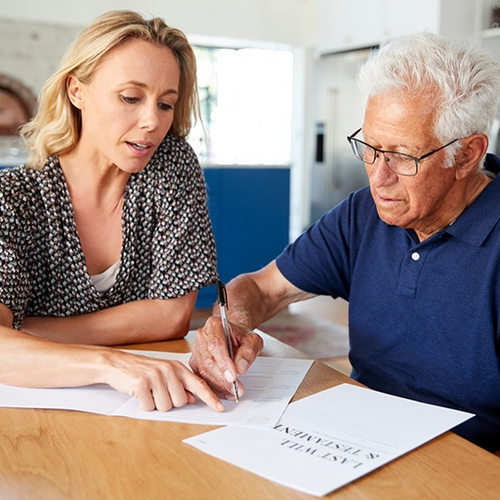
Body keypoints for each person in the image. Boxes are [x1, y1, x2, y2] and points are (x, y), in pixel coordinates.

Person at [190, 32, 500, 452]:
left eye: (402, 156)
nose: (378, 175)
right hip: (356, 438)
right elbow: (262, 287)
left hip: (466, 463)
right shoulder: (363, 214)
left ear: (465, 155)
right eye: (370, 148)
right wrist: (232, 326)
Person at [0, 10, 224, 413]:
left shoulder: (171, 166)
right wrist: (110, 363)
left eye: (166, 104)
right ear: (76, 92)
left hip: (148, 409)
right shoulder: (14, 198)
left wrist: (27, 333)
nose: (152, 121)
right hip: (38, 411)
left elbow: (172, 316)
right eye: (130, 98)